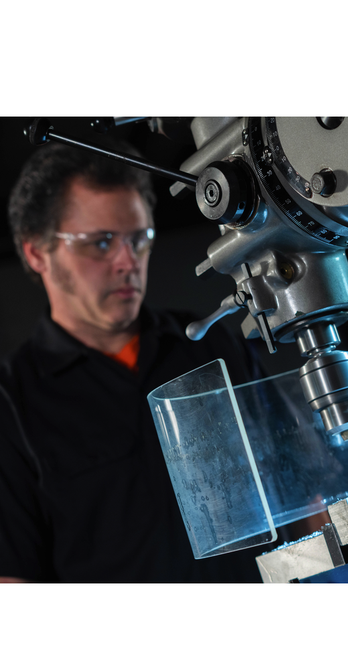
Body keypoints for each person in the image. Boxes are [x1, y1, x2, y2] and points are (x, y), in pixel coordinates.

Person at [0, 141, 264, 583]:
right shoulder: (11, 405)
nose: (128, 262)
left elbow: (301, 489)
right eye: (101, 242)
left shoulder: (210, 344)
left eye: (139, 240)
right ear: (37, 252)